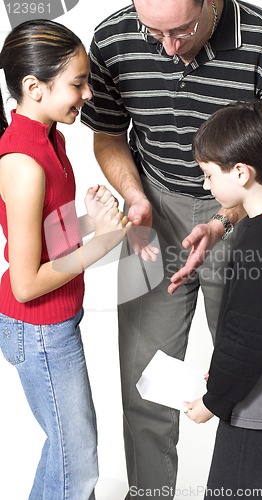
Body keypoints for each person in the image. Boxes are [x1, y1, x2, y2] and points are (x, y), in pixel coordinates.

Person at [81, 0, 262, 497]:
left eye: (182, 30)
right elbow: (108, 133)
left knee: (254, 378)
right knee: (147, 384)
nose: (168, 46)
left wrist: (225, 220)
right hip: (152, 212)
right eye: (152, 32)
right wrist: (136, 199)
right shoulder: (114, 37)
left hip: (238, 217)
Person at [0, 20, 129, 500]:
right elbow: (26, 283)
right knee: (77, 469)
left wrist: (92, 224)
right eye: (77, 83)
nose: (89, 94)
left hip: (53, 323)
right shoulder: (24, 162)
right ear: (34, 87)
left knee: (69, 456)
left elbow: (42, 237)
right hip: (37, 328)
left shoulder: (50, 137)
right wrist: (102, 244)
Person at [184, 100, 262, 500]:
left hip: (257, 412)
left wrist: (214, 399)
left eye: (208, 174)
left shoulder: (260, 244)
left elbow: (249, 339)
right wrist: (223, 377)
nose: (206, 185)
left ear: (240, 172)